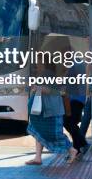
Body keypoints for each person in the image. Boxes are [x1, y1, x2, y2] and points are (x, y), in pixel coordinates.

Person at [26, 36, 77, 166]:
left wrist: (39, 88)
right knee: (38, 131)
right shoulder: (50, 73)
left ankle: (72, 150)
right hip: (45, 110)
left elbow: (56, 91)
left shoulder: (47, 74)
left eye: (38, 60)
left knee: (54, 134)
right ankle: (38, 157)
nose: (36, 63)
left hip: (50, 110)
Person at [62, 40, 89, 159]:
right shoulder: (77, 61)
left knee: (69, 123)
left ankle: (83, 144)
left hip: (75, 99)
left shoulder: (73, 63)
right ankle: (77, 149)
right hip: (78, 98)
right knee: (70, 123)